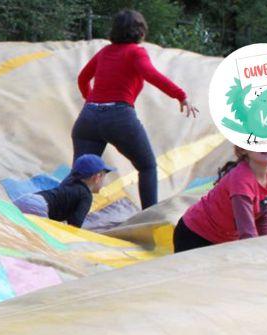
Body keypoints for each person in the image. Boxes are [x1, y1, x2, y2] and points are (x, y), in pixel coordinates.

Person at [73, 9, 199, 210]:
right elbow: (151, 74)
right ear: (141, 32)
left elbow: (82, 78)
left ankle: (56, 214)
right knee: (147, 167)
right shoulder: (135, 52)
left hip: (88, 119)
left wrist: (91, 102)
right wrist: (180, 95)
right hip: (118, 117)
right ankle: (149, 218)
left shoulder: (105, 52)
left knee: (80, 174)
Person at [173, 147, 267, 253]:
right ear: (243, 150)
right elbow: (247, 234)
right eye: (258, 141)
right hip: (194, 236)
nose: (266, 145)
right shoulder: (241, 180)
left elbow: (262, 216)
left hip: (223, 239)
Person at [14, 154, 113, 228]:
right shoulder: (86, 195)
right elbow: (74, 225)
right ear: (97, 177)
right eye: (104, 177)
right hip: (38, 207)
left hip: (26, 199)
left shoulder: (70, 184)